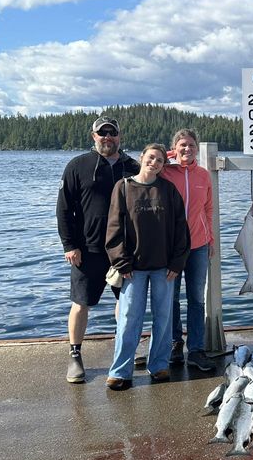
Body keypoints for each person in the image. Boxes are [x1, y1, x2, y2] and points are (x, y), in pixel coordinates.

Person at [56, 116, 139, 383]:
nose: (107, 138)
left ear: (119, 135)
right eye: (102, 133)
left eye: (112, 133)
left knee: (125, 302)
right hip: (87, 250)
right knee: (81, 304)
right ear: (94, 136)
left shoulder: (132, 166)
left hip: (123, 251)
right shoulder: (77, 166)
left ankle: (123, 347)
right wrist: (70, 245)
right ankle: (75, 355)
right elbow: (64, 209)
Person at [104, 144, 190, 390]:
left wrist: (177, 261)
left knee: (163, 318)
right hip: (133, 268)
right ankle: (121, 371)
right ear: (142, 158)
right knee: (129, 318)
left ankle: (159, 365)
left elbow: (180, 229)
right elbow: (113, 229)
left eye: (160, 160)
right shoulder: (123, 187)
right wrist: (121, 262)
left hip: (164, 267)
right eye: (151, 158)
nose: (154, 163)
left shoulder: (168, 190)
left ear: (164, 166)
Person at [161, 129, 216, 371]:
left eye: (191, 145)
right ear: (174, 148)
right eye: (182, 145)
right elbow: (144, 162)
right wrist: (172, 155)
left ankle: (196, 349)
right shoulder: (165, 171)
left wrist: (211, 240)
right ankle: (175, 344)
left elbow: (208, 209)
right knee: (170, 298)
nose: (187, 149)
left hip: (198, 246)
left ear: (197, 148)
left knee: (196, 299)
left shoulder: (203, 176)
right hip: (171, 248)